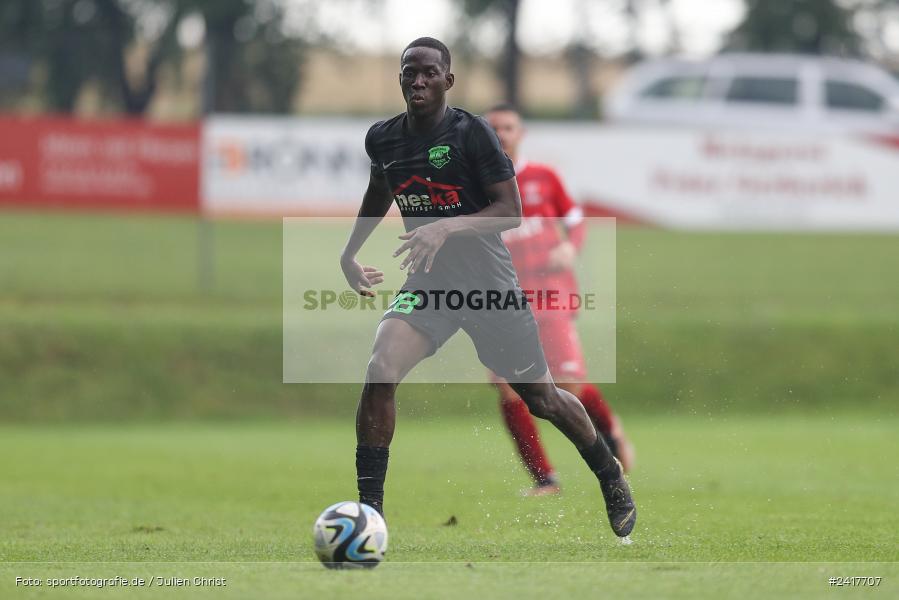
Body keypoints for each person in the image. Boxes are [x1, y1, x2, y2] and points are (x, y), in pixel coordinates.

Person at [339, 37, 636, 538]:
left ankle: (610, 477)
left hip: (490, 288)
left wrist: (444, 226)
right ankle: (371, 514)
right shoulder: (383, 138)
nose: (418, 80)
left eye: (429, 73)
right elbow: (380, 188)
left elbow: (510, 211)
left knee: (541, 398)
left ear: (448, 81)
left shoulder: (473, 133)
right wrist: (350, 252)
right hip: (429, 285)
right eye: (409, 72)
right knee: (380, 369)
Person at [484, 104, 635, 496]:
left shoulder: (544, 177)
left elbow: (575, 219)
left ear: (521, 133)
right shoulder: (475, 184)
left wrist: (570, 249)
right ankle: (544, 479)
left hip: (551, 293)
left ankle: (611, 433)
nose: (500, 134)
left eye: (507, 127)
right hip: (505, 300)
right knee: (507, 386)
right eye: (492, 128)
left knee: (568, 384)